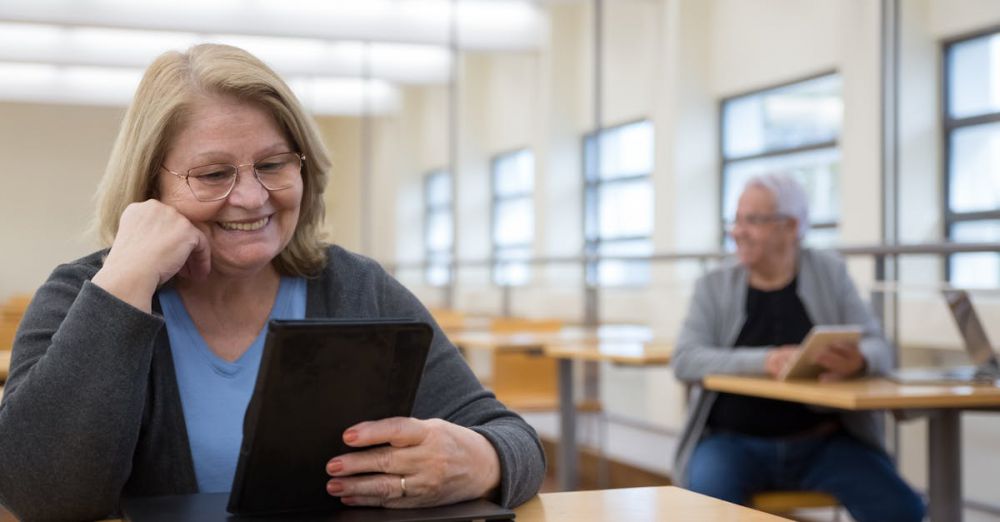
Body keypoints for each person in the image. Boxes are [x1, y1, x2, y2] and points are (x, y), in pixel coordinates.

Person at [0, 43, 544, 521]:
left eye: (274, 164)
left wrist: (480, 461)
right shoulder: (82, 295)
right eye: (213, 174)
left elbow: (517, 442)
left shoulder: (355, 288)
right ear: (149, 187)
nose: (252, 197)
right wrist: (124, 278)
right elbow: (40, 496)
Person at [671, 175, 925, 522]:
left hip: (825, 443)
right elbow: (685, 359)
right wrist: (767, 361)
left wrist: (860, 360)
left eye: (752, 220)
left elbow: (879, 346)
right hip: (732, 443)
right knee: (705, 512)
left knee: (903, 510)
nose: (738, 231)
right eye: (737, 219)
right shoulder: (713, 285)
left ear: (790, 227)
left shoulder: (830, 273)